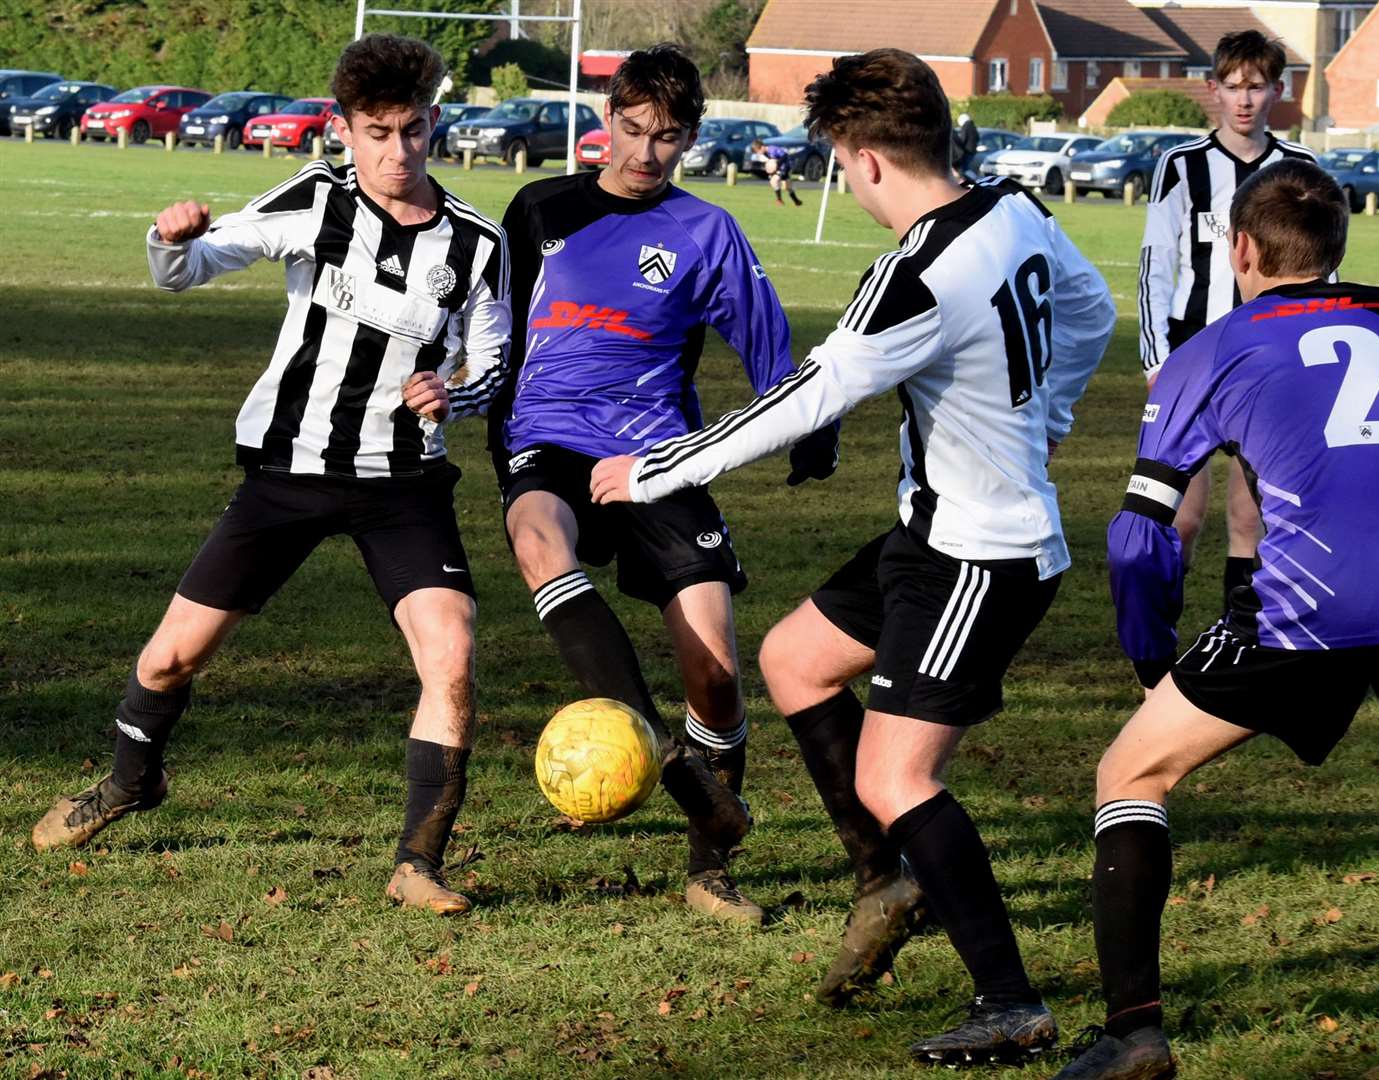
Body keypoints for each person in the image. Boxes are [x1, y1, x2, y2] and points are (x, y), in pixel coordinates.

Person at [591, 48, 1115, 1065]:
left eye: (839, 163)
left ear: (866, 160)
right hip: (934, 535)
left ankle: (1010, 999)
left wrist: (651, 472)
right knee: (793, 659)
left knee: (900, 775)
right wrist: (1045, 407)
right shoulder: (1014, 212)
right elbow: (1089, 308)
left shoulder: (917, 272)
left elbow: (803, 402)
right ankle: (889, 878)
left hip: (982, 556)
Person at [1053, 160, 1379, 1080]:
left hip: (1309, 604)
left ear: (1239, 247)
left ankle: (1134, 1034)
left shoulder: (1211, 350)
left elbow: (1140, 534)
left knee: (1130, 772)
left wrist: (1151, 655)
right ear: (1339, 248)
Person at [31, 35, 510, 917]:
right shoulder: (314, 200)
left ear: (434, 122)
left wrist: (456, 389)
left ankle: (418, 859)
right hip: (288, 473)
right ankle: (131, 782)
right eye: (376, 133)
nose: (396, 153)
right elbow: (194, 266)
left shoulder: (478, 245)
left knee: (452, 656)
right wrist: (169, 239)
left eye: (412, 130)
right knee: (171, 658)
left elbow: (493, 363)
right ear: (345, 129)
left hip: (403, 486)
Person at [489, 44, 839, 926]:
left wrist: (811, 430)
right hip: (549, 438)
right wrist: (487, 426)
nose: (645, 154)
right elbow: (493, 330)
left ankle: (710, 868)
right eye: (633, 130)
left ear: (689, 139)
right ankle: (671, 765)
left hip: (655, 456)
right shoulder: (539, 208)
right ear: (608, 120)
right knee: (537, 538)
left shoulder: (704, 232)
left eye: (667, 138)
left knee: (714, 668)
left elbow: (766, 342)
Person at [1137, 30, 1319, 619]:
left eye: (1257, 87)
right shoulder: (1181, 166)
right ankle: (1158, 660)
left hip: (1268, 364)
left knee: (1251, 518)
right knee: (1181, 519)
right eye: (1234, 87)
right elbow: (1154, 265)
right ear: (1213, 89)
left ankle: (1240, 646)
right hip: (1192, 359)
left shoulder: (1299, 169)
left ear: (1278, 91)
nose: (1245, 100)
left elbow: (1324, 271)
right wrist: (1154, 358)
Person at [751, 137, 802, 205]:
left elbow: (785, 155)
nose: (759, 153)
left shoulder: (773, 149)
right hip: (779, 169)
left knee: (784, 185)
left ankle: (790, 200)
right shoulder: (765, 154)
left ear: (762, 147)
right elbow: (769, 163)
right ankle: (788, 200)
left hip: (785, 167)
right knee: (777, 183)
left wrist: (777, 164)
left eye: (758, 151)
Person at [954, 111, 980, 178]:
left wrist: (958, 147)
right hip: (972, 151)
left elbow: (963, 139)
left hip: (966, 151)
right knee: (968, 168)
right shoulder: (973, 126)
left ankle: (966, 182)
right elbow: (977, 138)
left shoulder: (966, 126)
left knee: (964, 169)